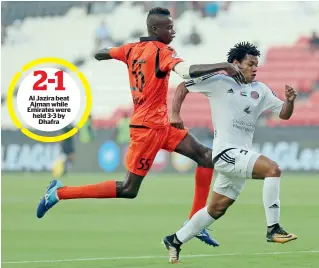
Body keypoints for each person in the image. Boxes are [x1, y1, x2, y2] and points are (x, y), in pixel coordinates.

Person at [36, 7, 245, 248]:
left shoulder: (131, 49)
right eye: (169, 27)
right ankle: (59, 192)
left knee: (205, 157)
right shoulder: (162, 52)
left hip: (161, 126)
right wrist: (224, 65)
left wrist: (102, 54)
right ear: (155, 29)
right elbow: (186, 71)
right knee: (128, 189)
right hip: (146, 130)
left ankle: (195, 224)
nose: (173, 31)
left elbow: (102, 53)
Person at [163, 42, 298, 263]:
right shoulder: (218, 82)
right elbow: (183, 86)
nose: (255, 68)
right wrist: (175, 114)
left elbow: (283, 114)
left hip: (240, 156)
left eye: (257, 64)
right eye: (250, 64)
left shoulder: (260, 90)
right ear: (236, 64)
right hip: (226, 153)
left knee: (216, 209)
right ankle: (273, 228)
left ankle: (175, 240)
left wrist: (290, 102)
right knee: (273, 169)